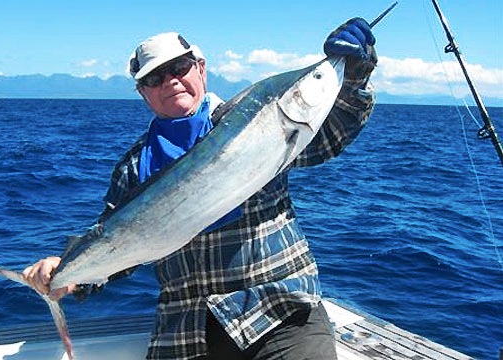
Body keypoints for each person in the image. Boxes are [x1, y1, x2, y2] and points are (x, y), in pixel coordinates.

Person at [23, 18, 377, 360]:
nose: (171, 81)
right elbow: (117, 248)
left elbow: (329, 137)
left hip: (279, 312)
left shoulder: (258, 121)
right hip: (187, 333)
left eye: (179, 68)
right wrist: (67, 274)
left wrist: (354, 74)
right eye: (155, 78)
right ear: (142, 93)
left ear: (201, 69)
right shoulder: (133, 167)